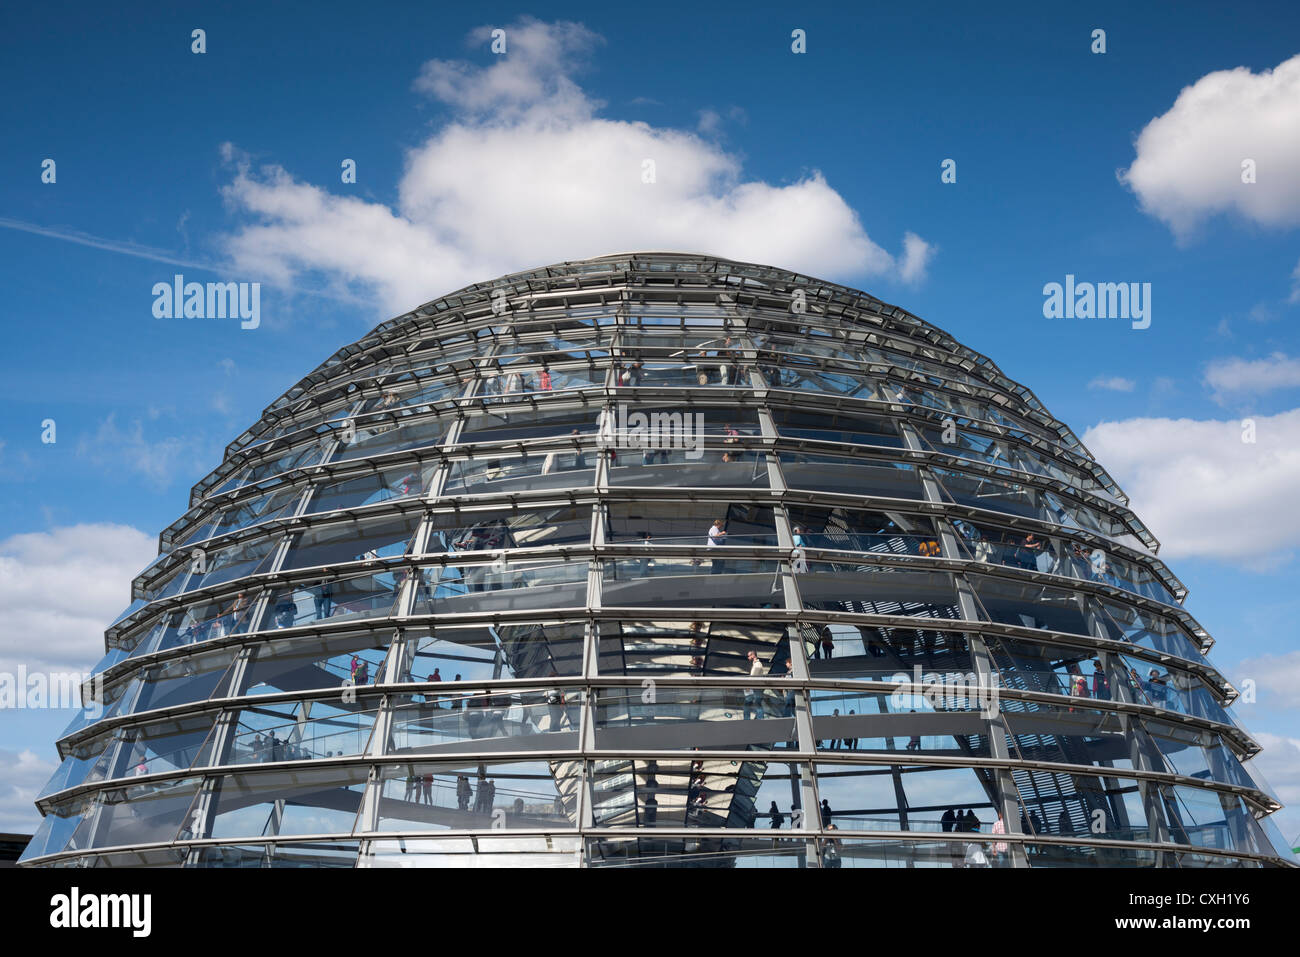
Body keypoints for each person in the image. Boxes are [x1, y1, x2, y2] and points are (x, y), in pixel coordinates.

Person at [744, 650, 765, 720]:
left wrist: (748, 686)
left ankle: (758, 719)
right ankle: (758, 718)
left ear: (753, 655)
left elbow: (753, 677)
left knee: (755, 704)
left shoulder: (758, 664)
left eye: (749, 655)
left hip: (756, 688)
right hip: (755, 688)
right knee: (755, 704)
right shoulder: (755, 664)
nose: (748, 657)